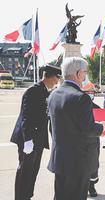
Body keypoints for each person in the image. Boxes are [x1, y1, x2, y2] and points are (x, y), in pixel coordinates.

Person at [47, 57, 105, 200]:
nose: (85, 76)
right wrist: (102, 127)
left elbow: (52, 127)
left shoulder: (53, 94)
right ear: (79, 73)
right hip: (78, 161)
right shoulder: (81, 98)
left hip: (60, 159)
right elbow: (89, 129)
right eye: (85, 72)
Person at [10, 64, 61, 200]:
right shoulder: (33, 91)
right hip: (28, 139)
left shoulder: (45, 91)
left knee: (33, 170)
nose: (58, 81)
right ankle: (21, 197)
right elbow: (26, 117)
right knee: (25, 170)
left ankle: (27, 195)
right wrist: (28, 141)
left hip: (37, 139)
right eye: (57, 77)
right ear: (49, 76)